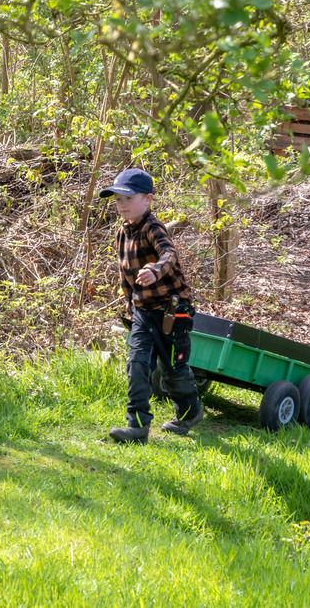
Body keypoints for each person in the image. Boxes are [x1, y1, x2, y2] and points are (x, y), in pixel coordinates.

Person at [99, 168, 203, 444]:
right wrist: (130, 307)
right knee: (137, 363)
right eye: (117, 199)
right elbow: (125, 277)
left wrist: (157, 270)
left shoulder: (152, 227)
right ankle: (137, 427)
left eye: (127, 198)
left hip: (172, 311)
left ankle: (190, 413)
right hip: (143, 312)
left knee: (172, 369)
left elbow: (169, 253)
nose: (121, 204)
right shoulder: (122, 233)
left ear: (148, 199)